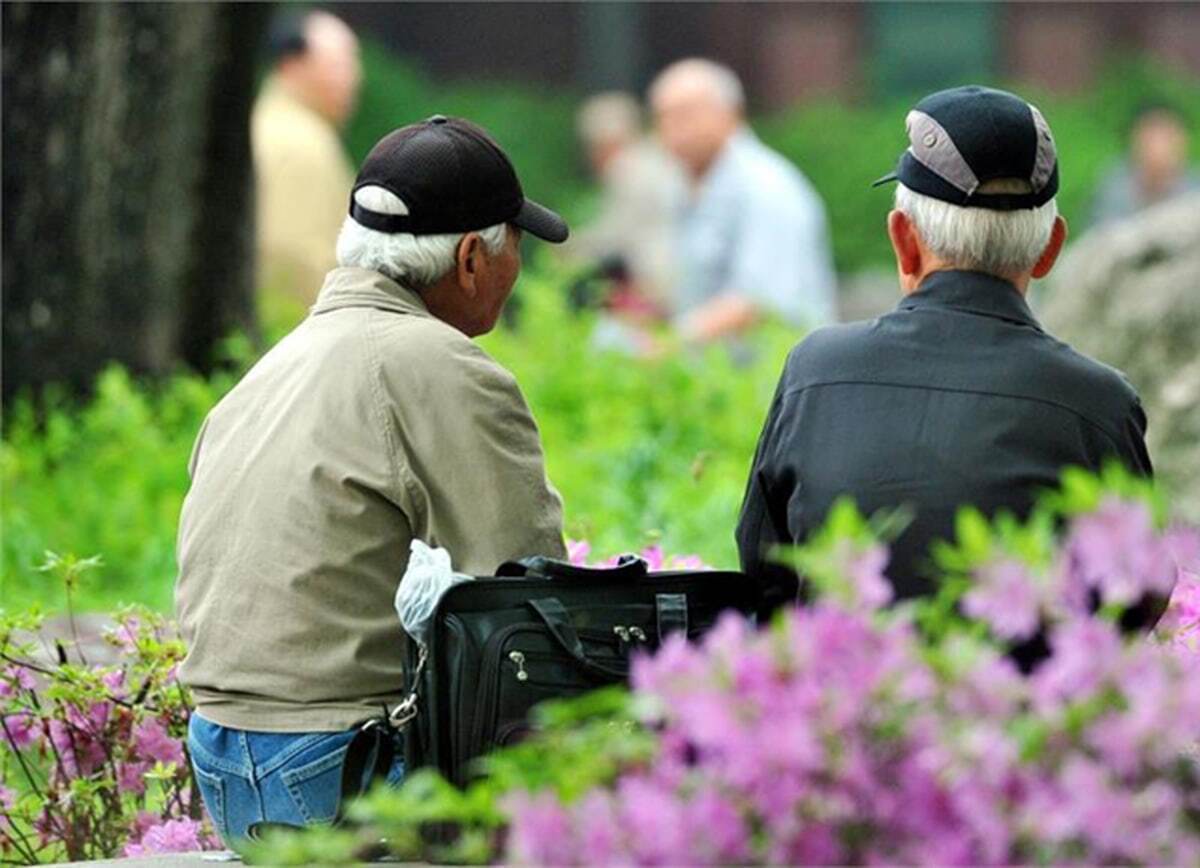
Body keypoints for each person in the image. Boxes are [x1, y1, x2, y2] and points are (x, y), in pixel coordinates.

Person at [177, 115, 570, 843]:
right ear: (471, 261)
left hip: (223, 768)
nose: (518, 265)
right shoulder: (445, 368)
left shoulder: (272, 368)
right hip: (339, 770)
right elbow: (529, 602)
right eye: (514, 244)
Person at [737, 85, 1152, 618]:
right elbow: (1135, 603)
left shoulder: (815, 371)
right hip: (1023, 702)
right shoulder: (1099, 405)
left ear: (904, 241)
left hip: (843, 696)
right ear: (1051, 248)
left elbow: (764, 575)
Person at [649, 58, 838, 342]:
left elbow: (757, 300)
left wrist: (665, 344)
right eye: (661, 117)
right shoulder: (686, 185)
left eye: (684, 114)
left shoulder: (765, 185)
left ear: (729, 113)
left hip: (777, 376)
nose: (671, 128)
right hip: (719, 374)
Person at [253, 11, 361, 318]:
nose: (353, 78)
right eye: (338, 65)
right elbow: (294, 257)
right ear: (291, 64)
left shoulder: (281, 126)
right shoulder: (299, 143)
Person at [563, 92, 680, 317]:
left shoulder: (625, 167)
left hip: (654, 280)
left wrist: (572, 248)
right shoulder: (657, 157)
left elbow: (615, 237)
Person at [1090, 101, 1200, 227]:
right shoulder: (1113, 187)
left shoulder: (1195, 189)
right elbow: (1101, 236)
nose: (1159, 147)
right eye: (1151, 138)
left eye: (1167, 137)